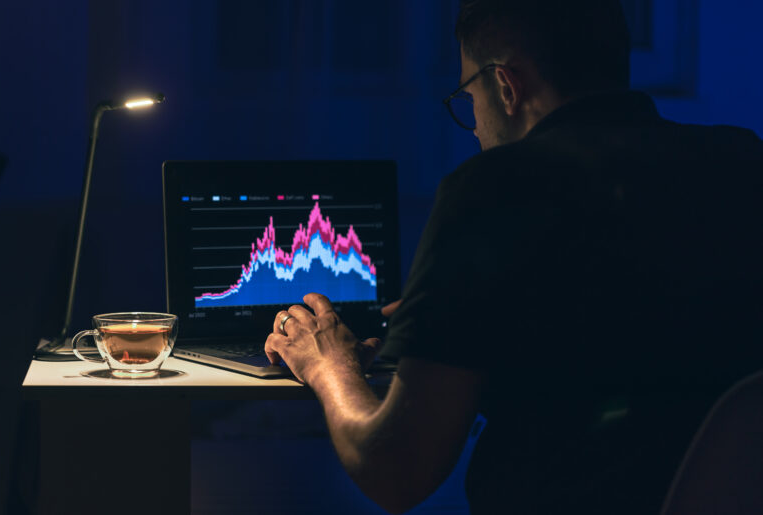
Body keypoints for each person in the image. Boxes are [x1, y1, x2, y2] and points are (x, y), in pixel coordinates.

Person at [265, 1, 763, 513]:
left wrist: (330, 364)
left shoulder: (492, 190)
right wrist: (450, 326)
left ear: (505, 85)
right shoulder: (742, 163)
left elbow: (394, 471)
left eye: (468, 96)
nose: (476, 127)